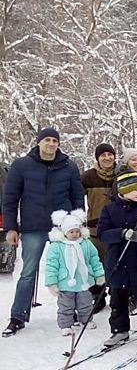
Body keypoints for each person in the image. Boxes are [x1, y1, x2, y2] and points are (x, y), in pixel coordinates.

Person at [2, 127, 85, 337]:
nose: (51, 144)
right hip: (33, 226)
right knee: (28, 272)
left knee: (68, 269)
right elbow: (10, 199)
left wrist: (77, 223)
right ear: (38, 142)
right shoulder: (21, 165)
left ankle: (70, 312)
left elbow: (77, 196)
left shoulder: (69, 166)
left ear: (58, 144)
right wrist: (11, 227)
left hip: (62, 226)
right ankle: (18, 316)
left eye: (54, 141)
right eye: (47, 140)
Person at [98, 170, 137, 349]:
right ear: (123, 191)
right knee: (117, 298)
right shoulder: (109, 209)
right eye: (134, 190)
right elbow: (102, 234)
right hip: (117, 261)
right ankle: (119, 330)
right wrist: (122, 233)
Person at [44, 209, 105, 336]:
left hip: (83, 281)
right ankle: (66, 325)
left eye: (77, 231)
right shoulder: (57, 246)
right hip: (65, 283)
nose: (75, 234)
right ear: (64, 232)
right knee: (66, 305)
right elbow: (51, 265)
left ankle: (86, 320)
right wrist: (52, 283)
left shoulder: (86, 244)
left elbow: (94, 259)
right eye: (71, 232)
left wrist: (99, 274)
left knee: (85, 303)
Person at [81, 143, 116, 311]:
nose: (107, 158)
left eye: (110, 154)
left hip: (117, 227)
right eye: (103, 155)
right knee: (96, 264)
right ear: (97, 158)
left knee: (117, 263)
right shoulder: (88, 177)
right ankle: (98, 296)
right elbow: (75, 197)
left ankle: (118, 295)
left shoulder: (121, 174)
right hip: (95, 227)